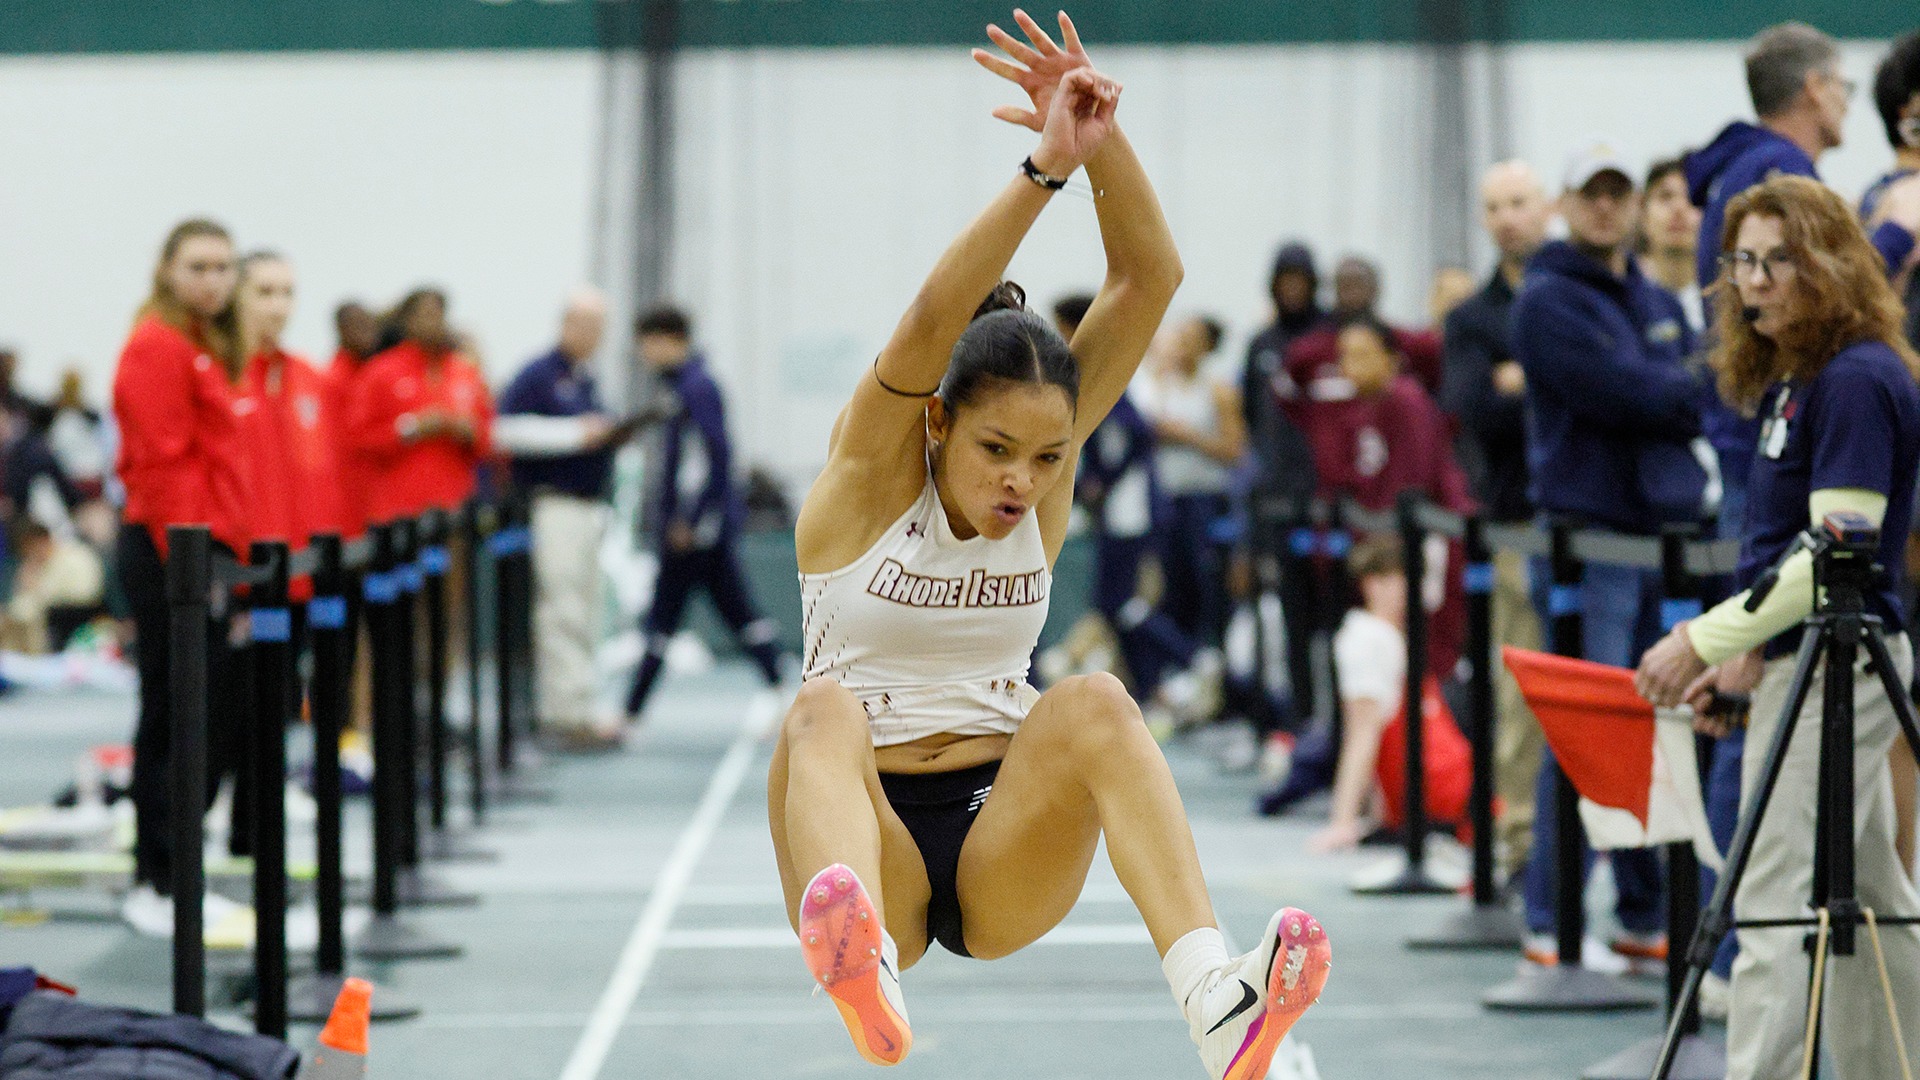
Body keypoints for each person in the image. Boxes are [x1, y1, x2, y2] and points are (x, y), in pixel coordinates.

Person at [768, 13, 1328, 1079]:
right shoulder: (859, 482)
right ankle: (861, 966)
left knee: (1100, 701)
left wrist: (1100, 133)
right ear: (935, 421)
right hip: (864, 826)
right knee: (819, 710)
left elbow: (1147, 279)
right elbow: (933, 317)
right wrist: (1043, 168)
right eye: (994, 450)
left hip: (1000, 840)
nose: (1022, 482)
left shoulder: (1046, 473)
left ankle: (1217, 998)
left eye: (1046, 455)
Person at [1636, 174, 1920, 1080]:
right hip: (1812, 661)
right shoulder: (1799, 381)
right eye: (1742, 262)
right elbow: (1785, 554)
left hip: (1846, 666)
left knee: (1766, 904)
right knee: (1874, 897)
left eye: (1777, 261)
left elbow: (1836, 552)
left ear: (1827, 265)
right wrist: (1747, 651)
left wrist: (1705, 642)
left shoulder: (1856, 381)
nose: (1754, 282)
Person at [1512, 145, 1708, 969]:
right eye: (1591, 194)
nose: (1606, 207)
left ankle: (1637, 912)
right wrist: (1695, 382)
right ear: (1565, 203)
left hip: (1655, 546)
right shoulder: (1549, 301)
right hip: (1589, 549)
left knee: (1646, 731)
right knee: (1586, 732)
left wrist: (1680, 386)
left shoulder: (1649, 295)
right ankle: (1549, 922)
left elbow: (1670, 393)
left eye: (1616, 194)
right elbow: (1639, 394)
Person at [111, 219, 253, 936]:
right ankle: (157, 876)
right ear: (166, 270)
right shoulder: (156, 347)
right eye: (198, 266)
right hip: (170, 550)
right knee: (169, 713)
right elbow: (164, 465)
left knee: (198, 716)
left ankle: (178, 872)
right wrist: (192, 571)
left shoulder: (204, 347)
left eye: (224, 267)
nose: (213, 280)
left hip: (203, 549)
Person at [1441, 160, 1551, 882]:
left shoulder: (1577, 294)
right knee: (1520, 699)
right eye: (1494, 206)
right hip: (1515, 527)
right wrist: (1554, 380)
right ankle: (1518, 848)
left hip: (1594, 520)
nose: (1508, 216)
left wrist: (1529, 374)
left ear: (1545, 208)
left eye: (1519, 203)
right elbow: (1474, 410)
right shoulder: (1471, 319)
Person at [622, 306, 785, 723]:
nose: (642, 354)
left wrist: (690, 520)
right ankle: (779, 690)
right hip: (695, 530)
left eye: (645, 344)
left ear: (666, 339)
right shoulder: (679, 386)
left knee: (670, 618)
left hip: (695, 533)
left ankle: (629, 713)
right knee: (732, 613)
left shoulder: (696, 388)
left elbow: (712, 457)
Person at [497, 288, 639, 747]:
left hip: (587, 506)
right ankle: (563, 712)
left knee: (586, 609)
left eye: (601, 329)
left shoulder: (587, 379)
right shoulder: (538, 375)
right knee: (562, 609)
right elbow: (504, 431)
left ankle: (579, 703)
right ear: (567, 324)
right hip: (552, 504)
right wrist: (576, 435)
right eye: (587, 326)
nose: (594, 337)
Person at [1311, 537, 1470, 852]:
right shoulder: (1368, 640)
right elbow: (1362, 734)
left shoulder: (1394, 636)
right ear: (1373, 583)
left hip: (1446, 781)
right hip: (1436, 790)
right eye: (1401, 579)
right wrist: (1342, 821)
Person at [1131, 314, 1244, 653]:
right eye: (1179, 338)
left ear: (1207, 347)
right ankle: (1177, 660)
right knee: (1168, 582)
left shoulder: (1218, 391)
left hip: (1204, 499)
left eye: (1192, 340)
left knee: (1203, 581)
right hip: (1166, 497)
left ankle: (1208, 653)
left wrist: (1189, 437)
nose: (1182, 347)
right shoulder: (1160, 385)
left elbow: (1234, 451)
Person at [346, 289, 494, 526]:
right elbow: (359, 440)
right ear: (408, 322)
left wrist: (465, 431)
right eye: (425, 315)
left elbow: (487, 439)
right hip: (398, 513)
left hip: (454, 510)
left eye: (438, 314)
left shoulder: (465, 372)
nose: (433, 322)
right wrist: (412, 426)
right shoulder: (380, 373)